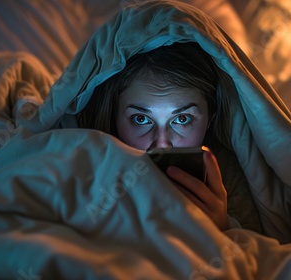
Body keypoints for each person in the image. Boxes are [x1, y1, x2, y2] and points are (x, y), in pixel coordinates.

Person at [77, 42, 237, 231]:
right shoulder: (82, 172)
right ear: (114, 116)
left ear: (210, 118)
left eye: (182, 119)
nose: (162, 143)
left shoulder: (232, 178)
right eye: (141, 119)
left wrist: (223, 228)